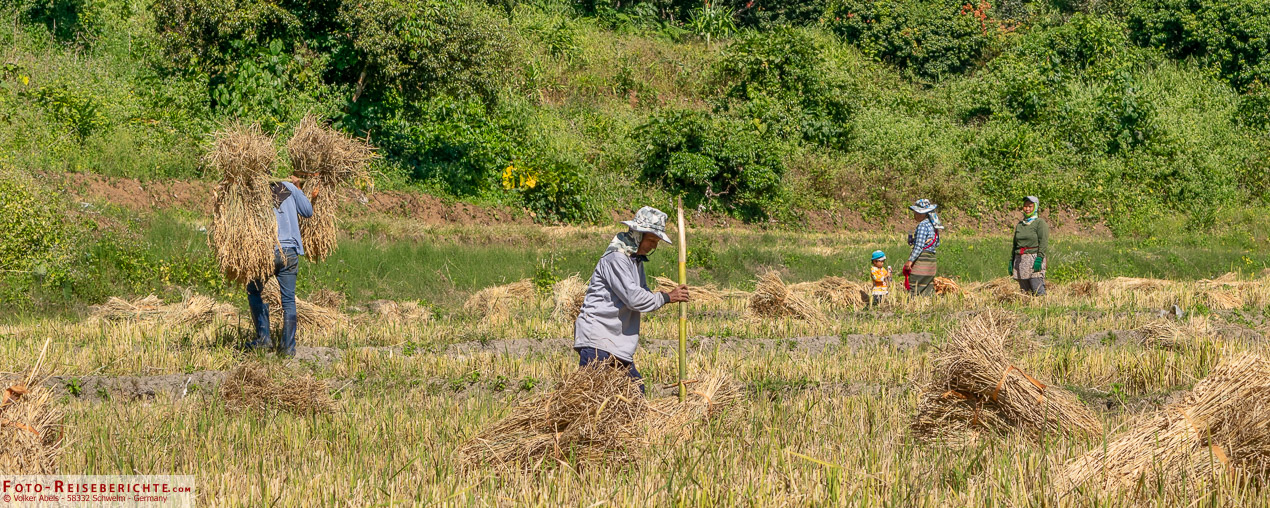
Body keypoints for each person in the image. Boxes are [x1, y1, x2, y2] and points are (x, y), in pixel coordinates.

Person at [573, 207, 690, 392]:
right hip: (598, 341)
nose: (654, 246)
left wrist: (660, 296)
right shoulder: (617, 258)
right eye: (651, 240)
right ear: (637, 235)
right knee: (595, 400)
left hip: (616, 344)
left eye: (656, 241)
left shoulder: (634, 260)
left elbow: (642, 291)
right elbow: (634, 298)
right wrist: (667, 297)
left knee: (635, 394)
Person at [246, 175, 318, 357]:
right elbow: (308, 211)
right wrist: (298, 187)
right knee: (288, 299)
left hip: (266, 253)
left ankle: (263, 339)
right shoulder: (289, 188)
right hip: (289, 252)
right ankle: (287, 348)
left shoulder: (253, 191)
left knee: (254, 291)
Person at [903, 199, 942, 297]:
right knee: (927, 288)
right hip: (931, 261)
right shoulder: (933, 225)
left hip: (922, 260)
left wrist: (910, 261)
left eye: (916, 213)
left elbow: (919, 246)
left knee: (915, 285)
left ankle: (912, 306)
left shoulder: (922, 226)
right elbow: (937, 243)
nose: (915, 215)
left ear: (922, 214)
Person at [1011, 196, 1049, 296]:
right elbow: (1015, 244)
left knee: (1037, 287)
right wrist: (1012, 260)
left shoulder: (1039, 223)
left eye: (1030, 206)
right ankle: (1028, 309)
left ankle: (1043, 308)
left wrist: (1039, 258)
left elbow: (1043, 242)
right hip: (1021, 260)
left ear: (1035, 207)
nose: (1027, 209)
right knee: (1025, 292)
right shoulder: (1020, 225)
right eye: (1025, 206)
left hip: (1034, 258)